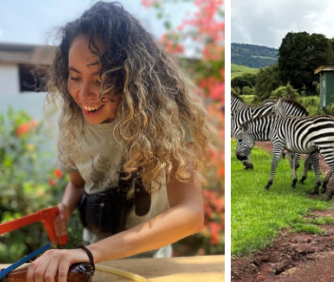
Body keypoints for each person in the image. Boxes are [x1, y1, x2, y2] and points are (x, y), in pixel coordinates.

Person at [25, 2, 215, 281]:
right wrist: (65, 206)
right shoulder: (76, 123)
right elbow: (78, 182)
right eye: (75, 77)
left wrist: (90, 253)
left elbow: (190, 212)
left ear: (131, 79)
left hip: (149, 269)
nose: (84, 94)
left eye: (101, 80)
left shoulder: (166, 123)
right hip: (90, 267)